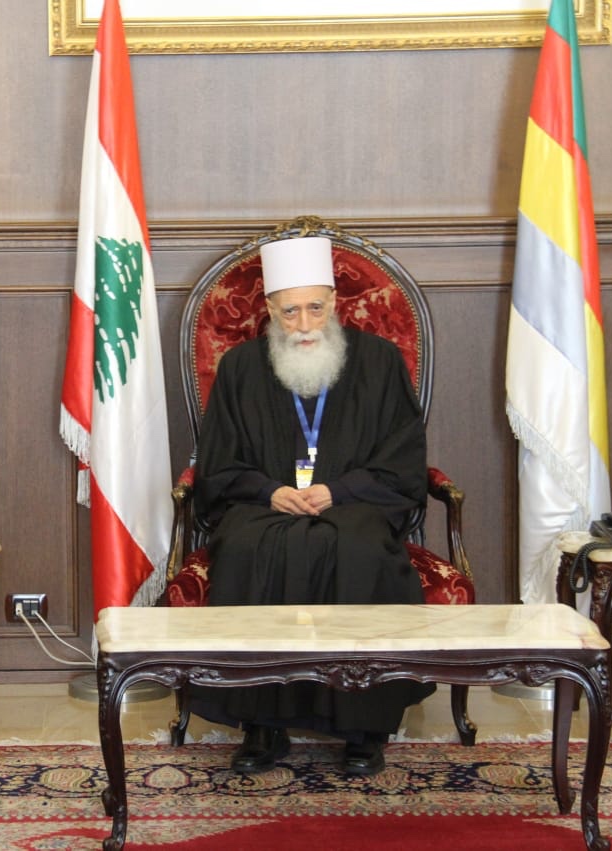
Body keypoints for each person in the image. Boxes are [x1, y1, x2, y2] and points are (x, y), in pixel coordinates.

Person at [191, 236, 433, 777]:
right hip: (265, 505)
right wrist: (267, 490)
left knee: (359, 547)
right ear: (270, 309)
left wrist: (339, 491)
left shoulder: (379, 361)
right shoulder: (241, 367)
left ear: (334, 304)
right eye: (290, 310)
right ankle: (261, 723)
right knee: (247, 547)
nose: (304, 323)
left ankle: (363, 727)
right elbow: (219, 462)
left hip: (355, 503)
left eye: (315, 308)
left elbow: (403, 457)